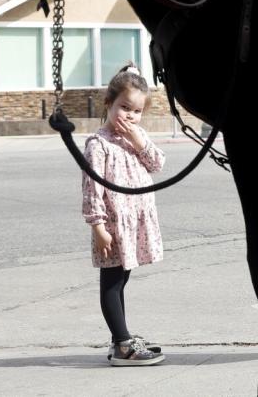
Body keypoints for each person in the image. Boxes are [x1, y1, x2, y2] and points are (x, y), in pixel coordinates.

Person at [82, 63, 166, 366]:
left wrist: (138, 140)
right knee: (112, 282)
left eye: (136, 111)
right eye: (124, 107)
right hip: (114, 226)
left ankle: (123, 335)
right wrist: (99, 227)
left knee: (122, 278)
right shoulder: (99, 144)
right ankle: (121, 345)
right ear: (108, 104)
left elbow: (157, 164)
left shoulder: (136, 137)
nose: (130, 116)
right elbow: (92, 190)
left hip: (135, 224)